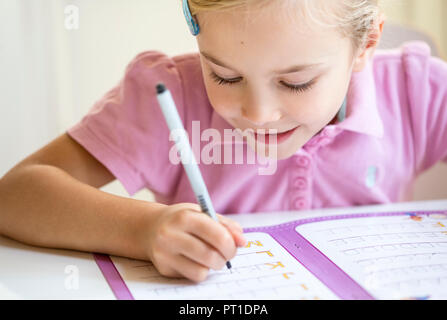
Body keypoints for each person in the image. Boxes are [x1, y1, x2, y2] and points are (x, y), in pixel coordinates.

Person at [1, 0, 446, 283]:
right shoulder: (168, 95)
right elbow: (16, 196)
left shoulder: (415, 90)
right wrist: (144, 229)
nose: (258, 114)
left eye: (296, 82)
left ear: (366, 43)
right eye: (225, 75)